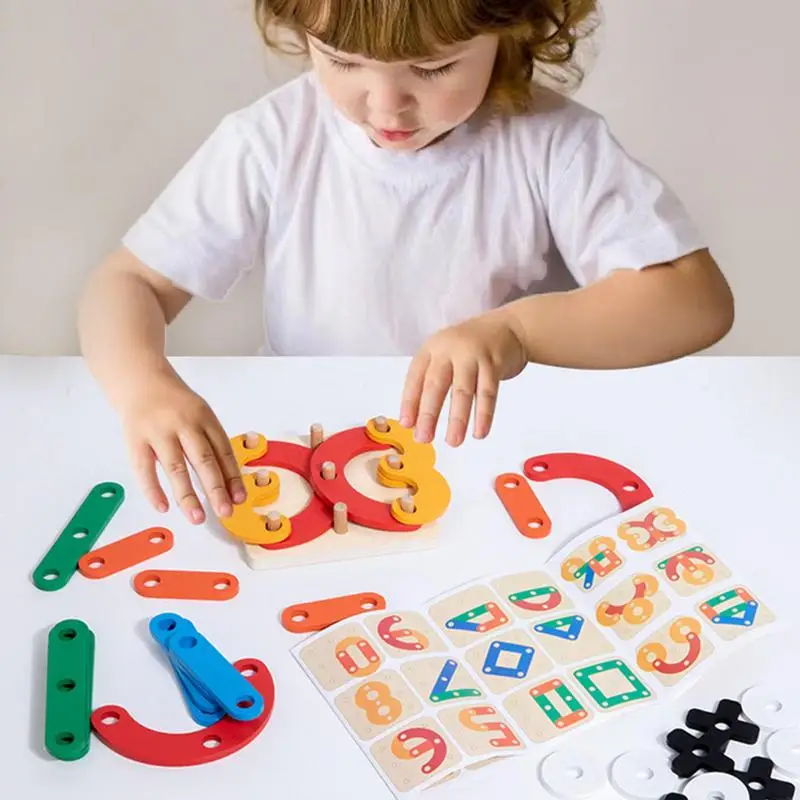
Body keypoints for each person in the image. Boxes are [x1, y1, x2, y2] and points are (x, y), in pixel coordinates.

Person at [77, 0, 735, 527]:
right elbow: (129, 283)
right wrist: (143, 387)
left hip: (488, 464)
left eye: (431, 68)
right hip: (310, 455)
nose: (385, 105)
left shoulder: (554, 144)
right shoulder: (272, 138)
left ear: (513, 26)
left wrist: (517, 332)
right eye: (342, 60)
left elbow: (694, 302)